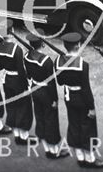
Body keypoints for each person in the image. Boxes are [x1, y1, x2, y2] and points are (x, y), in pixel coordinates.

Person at [55, 32, 103, 168]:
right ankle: (89, 159)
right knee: (87, 128)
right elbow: (86, 88)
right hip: (81, 99)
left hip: (69, 97)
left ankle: (80, 157)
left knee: (74, 125)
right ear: (78, 45)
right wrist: (91, 107)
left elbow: (60, 82)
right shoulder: (82, 64)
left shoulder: (58, 61)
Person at [24, 31, 68, 159]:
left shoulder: (26, 56)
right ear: (42, 43)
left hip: (34, 88)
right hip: (46, 92)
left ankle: (46, 146)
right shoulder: (46, 61)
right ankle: (53, 151)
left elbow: (28, 75)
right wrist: (54, 99)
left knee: (40, 116)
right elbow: (51, 82)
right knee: (51, 120)